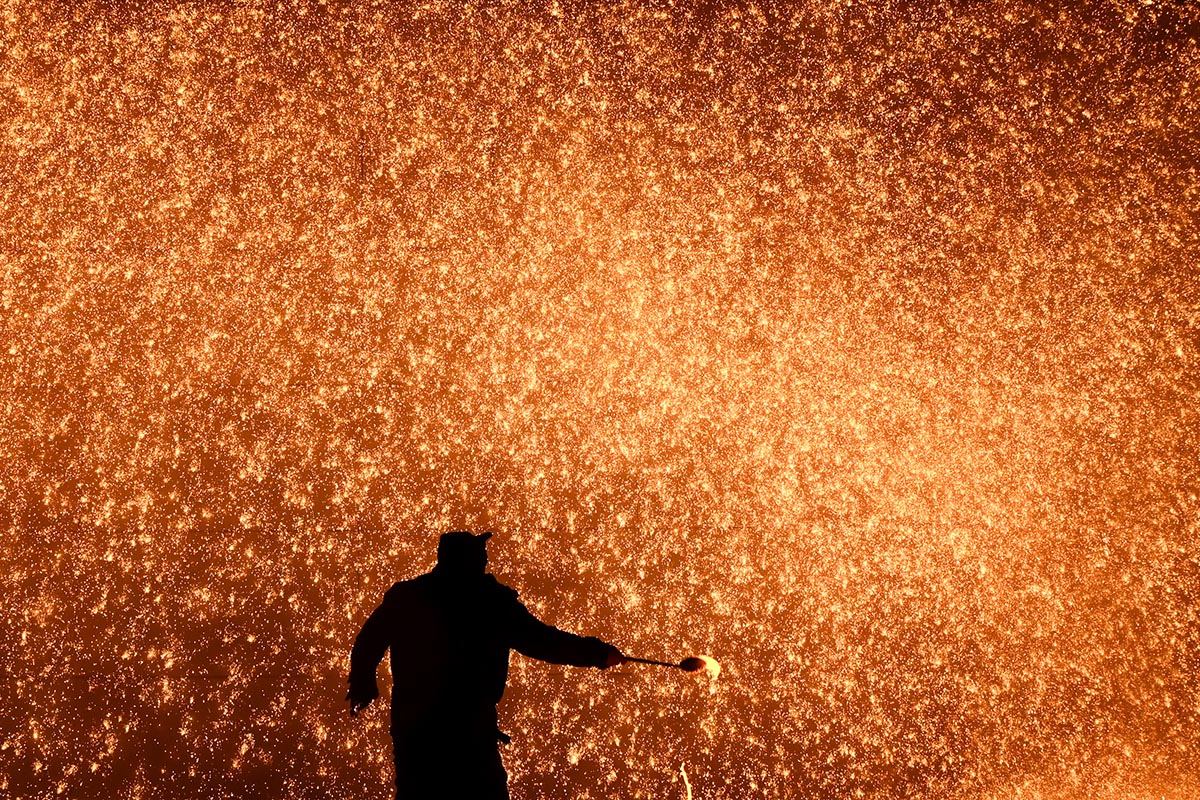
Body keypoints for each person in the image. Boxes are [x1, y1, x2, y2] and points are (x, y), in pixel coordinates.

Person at [347, 531, 626, 799]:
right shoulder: (492, 603)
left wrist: (363, 682)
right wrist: (599, 654)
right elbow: (544, 642)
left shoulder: (408, 597)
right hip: (469, 731)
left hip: (416, 731)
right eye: (481, 554)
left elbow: (368, 641)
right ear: (470, 561)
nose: (486, 559)